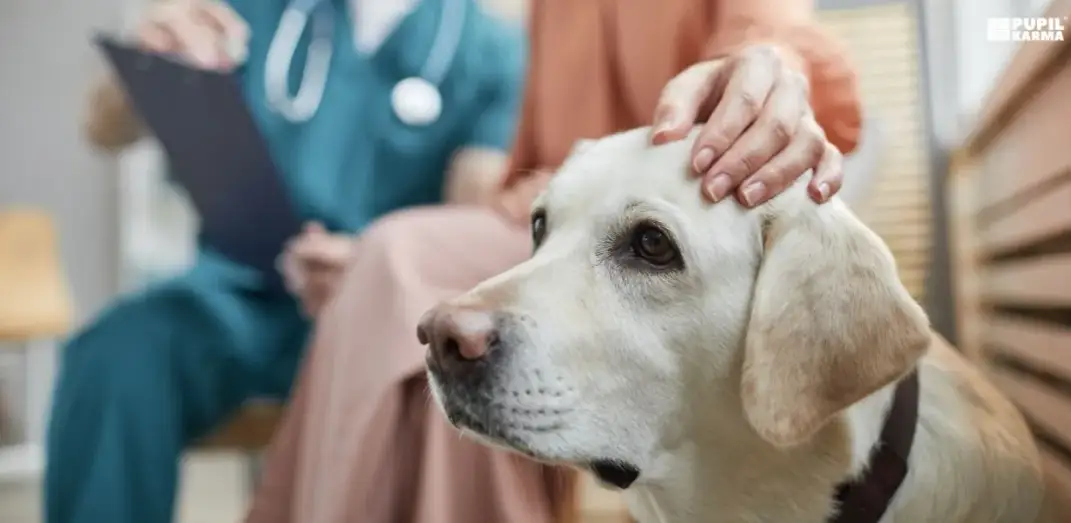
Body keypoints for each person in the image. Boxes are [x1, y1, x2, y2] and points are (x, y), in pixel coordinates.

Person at [244, 0, 862, 522]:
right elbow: (532, 180)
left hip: (682, 247)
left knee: (405, 265)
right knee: (412, 287)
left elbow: (772, 36)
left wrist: (771, 67)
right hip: (556, 234)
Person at [47, 1, 525, 522]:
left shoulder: (491, 52)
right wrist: (149, 61)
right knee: (116, 352)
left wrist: (371, 263)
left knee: (431, 400)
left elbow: (471, 210)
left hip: (382, 320)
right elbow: (101, 127)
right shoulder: (258, 12)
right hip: (237, 298)